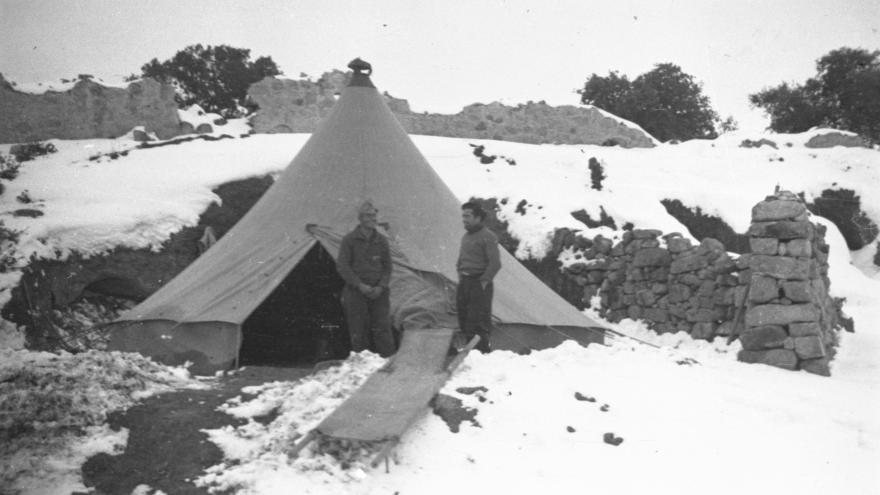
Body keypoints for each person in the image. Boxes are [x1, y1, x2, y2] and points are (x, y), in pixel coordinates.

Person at [336, 201, 395, 357]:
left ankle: (387, 362)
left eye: (374, 215)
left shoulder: (382, 240)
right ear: (360, 218)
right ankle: (363, 365)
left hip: (379, 292)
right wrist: (359, 285)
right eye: (369, 216)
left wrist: (381, 287)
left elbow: (388, 267)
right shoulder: (349, 240)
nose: (373, 219)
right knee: (358, 330)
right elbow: (343, 266)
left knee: (383, 328)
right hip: (356, 292)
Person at [456, 201, 501, 353]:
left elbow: (495, 263)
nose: (464, 219)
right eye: (463, 216)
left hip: (479, 282)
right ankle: (469, 352)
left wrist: (483, 282)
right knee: (464, 317)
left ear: (478, 218)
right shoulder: (466, 237)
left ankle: (481, 354)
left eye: (467, 216)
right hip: (465, 282)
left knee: (478, 320)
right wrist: (461, 276)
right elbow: (461, 260)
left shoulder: (488, 236)